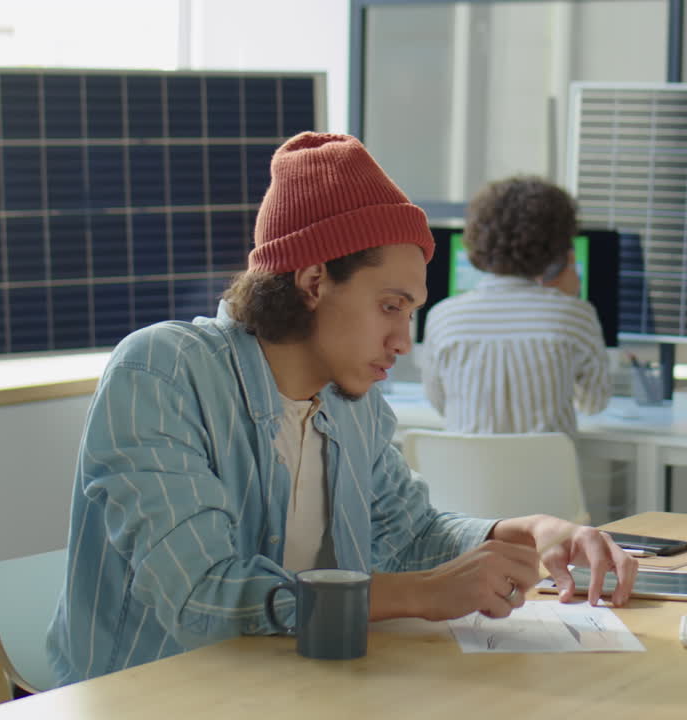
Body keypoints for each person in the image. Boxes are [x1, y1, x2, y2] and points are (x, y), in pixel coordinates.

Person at [46, 133, 636, 685]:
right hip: (157, 697)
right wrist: (420, 593)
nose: (403, 342)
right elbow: (203, 599)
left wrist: (524, 532)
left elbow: (409, 535)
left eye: (411, 313)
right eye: (390, 306)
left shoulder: (353, 403)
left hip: (287, 688)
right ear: (313, 282)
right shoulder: (162, 372)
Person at [420, 176, 612, 434]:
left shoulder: (442, 317)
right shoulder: (575, 316)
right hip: (547, 462)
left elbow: (440, 402)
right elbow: (594, 404)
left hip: (464, 462)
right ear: (559, 248)